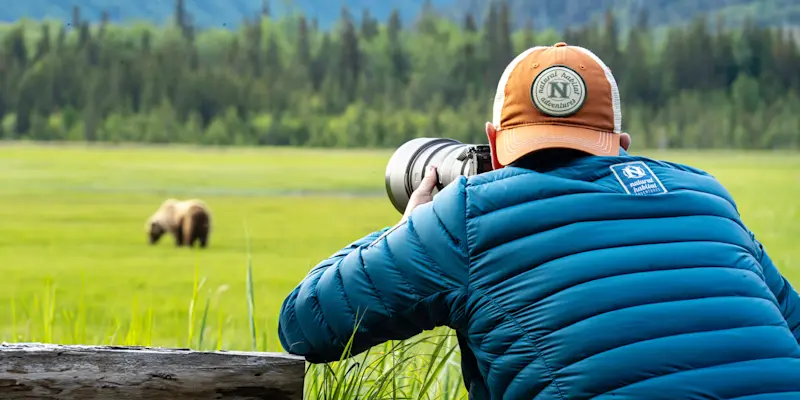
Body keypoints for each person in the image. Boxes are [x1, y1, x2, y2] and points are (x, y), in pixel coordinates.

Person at [277, 42, 800, 399]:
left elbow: (304, 324)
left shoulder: (467, 214)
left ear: (493, 142)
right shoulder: (706, 194)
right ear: (622, 143)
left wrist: (410, 228)